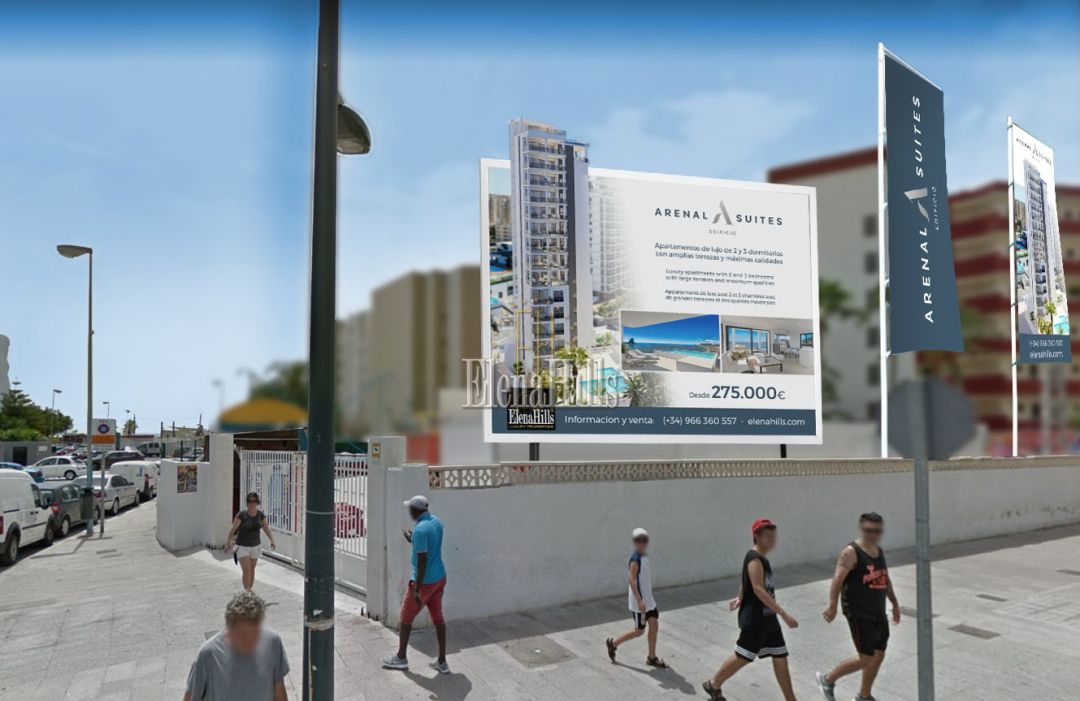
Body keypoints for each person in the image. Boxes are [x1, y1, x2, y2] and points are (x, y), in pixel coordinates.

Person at [703, 519, 799, 701]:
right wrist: (784, 614)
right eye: (767, 536)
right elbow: (758, 589)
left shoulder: (761, 557)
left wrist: (740, 596)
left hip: (768, 618)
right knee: (743, 656)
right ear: (756, 536)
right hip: (756, 619)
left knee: (780, 657)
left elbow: (746, 580)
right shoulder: (754, 558)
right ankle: (713, 684)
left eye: (773, 536)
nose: (772, 540)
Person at [816, 512, 900, 701]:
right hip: (858, 611)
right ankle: (827, 680)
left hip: (878, 611)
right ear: (862, 529)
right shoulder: (850, 552)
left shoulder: (878, 551)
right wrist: (832, 605)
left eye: (877, 531)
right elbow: (838, 579)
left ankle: (864, 695)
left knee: (879, 653)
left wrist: (894, 603)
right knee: (865, 657)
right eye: (869, 530)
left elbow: (885, 579)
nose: (873, 534)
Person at [382, 495, 449, 674]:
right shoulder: (436, 522)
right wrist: (413, 540)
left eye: (410, 508)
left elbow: (422, 560)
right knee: (438, 619)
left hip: (424, 582)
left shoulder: (420, 530)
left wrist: (417, 589)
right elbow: (430, 544)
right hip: (439, 578)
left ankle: (401, 658)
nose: (409, 512)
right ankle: (442, 661)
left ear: (416, 510)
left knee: (405, 619)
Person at [184, 590, 289, 701]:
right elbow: (189, 698)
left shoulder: (272, 642)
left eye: (255, 633)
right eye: (243, 635)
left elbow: (280, 692)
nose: (250, 641)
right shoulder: (208, 655)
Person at [606, 527, 667, 668]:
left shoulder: (644, 556)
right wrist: (640, 601)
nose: (642, 543)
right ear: (634, 542)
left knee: (654, 624)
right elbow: (631, 579)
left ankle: (651, 657)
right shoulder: (635, 559)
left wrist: (647, 599)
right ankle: (613, 644)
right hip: (639, 603)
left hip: (649, 601)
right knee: (639, 631)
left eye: (644, 540)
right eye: (638, 540)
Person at [226, 492, 276, 591]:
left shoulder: (261, 515)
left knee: (252, 569)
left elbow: (266, 529)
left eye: (254, 501)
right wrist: (228, 542)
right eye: (249, 501)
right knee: (247, 570)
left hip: (255, 546)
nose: (251, 503)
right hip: (242, 546)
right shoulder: (242, 515)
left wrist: (272, 540)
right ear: (247, 502)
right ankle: (247, 591)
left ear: (257, 502)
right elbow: (233, 529)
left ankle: (250, 590)